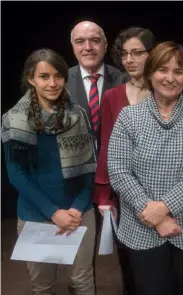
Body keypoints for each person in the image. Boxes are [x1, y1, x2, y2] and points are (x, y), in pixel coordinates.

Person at [107, 41, 183, 295]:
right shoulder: (129, 117)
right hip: (142, 224)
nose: (170, 78)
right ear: (150, 73)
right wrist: (153, 214)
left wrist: (164, 207)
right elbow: (118, 170)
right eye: (162, 70)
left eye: (178, 71)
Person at [2, 48, 97, 295]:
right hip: (37, 216)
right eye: (44, 76)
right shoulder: (14, 119)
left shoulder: (79, 115)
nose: (53, 83)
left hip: (79, 213)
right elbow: (17, 175)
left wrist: (77, 208)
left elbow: (89, 169)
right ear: (31, 79)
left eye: (58, 76)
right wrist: (53, 213)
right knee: (43, 287)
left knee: (83, 282)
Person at [93, 27, 156, 295]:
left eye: (137, 53)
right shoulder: (112, 96)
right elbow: (106, 145)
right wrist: (104, 196)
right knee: (130, 265)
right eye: (125, 54)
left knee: (159, 267)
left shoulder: (165, 90)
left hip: (160, 191)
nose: (129, 60)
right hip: (124, 192)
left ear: (152, 54)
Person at [66, 20, 127, 149]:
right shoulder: (61, 82)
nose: (88, 47)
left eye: (95, 40)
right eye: (80, 41)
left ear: (105, 46)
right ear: (73, 47)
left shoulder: (124, 80)